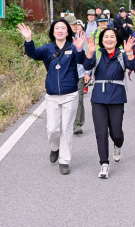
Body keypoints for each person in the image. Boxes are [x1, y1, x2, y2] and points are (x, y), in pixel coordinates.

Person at [18, 19, 86, 175]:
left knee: (66, 129)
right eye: (57, 28)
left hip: (70, 94)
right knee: (53, 128)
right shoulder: (47, 49)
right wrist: (28, 39)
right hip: (52, 95)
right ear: (53, 32)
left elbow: (82, 62)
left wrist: (80, 49)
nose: (60, 30)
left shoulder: (73, 48)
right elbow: (33, 53)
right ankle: (55, 148)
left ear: (68, 32)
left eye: (63, 28)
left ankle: (64, 161)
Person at [82, 28, 135, 179]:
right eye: (106, 37)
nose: (109, 39)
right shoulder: (98, 54)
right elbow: (87, 66)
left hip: (117, 97)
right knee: (101, 132)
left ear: (117, 39)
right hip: (98, 98)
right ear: (102, 40)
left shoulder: (122, 55)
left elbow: (133, 67)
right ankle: (104, 164)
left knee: (116, 132)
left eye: (112, 37)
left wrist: (130, 52)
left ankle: (118, 144)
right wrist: (90, 52)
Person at [68, 16, 91, 135]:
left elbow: (87, 56)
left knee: (79, 98)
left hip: (80, 73)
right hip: (66, 75)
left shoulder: (82, 38)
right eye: (73, 25)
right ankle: (66, 123)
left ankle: (77, 124)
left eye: (77, 25)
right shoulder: (62, 38)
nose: (76, 27)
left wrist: (87, 72)